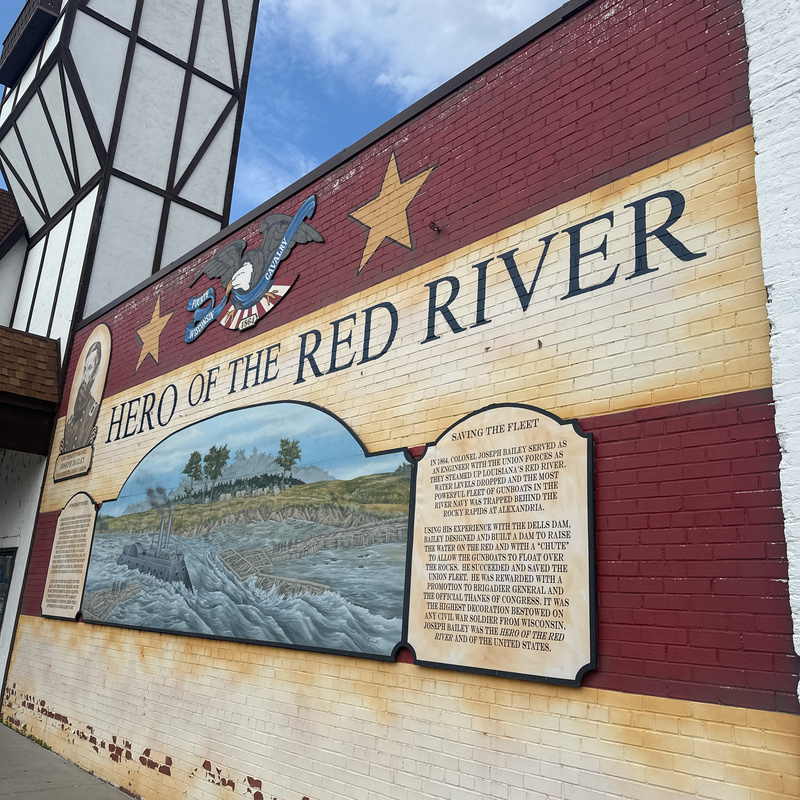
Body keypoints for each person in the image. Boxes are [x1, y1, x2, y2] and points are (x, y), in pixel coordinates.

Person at [63, 341, 102, 452]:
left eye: (89, 368)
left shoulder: (93, 411)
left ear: (95, 372)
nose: (84, 376)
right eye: (84, 368)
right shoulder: (71, 418)